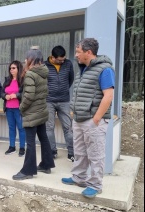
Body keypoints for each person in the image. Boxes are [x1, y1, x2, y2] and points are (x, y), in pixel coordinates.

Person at [62, 38, 115, 198]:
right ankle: (79, 177)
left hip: (93, 119)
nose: (76, 55)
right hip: (79, 118)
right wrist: (73, 112)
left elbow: (108, 95)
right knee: (80, 151)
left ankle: (95, 184)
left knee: (95, 153)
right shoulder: (82, 69)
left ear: (88, 52)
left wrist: (97, 119)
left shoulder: (105, 69)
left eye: (78, 52)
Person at [12, 48, 55, 180]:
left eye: (26, 58)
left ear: (31, 60)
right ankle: (46, 164)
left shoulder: (30, 74)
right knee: (43, 138)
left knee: (30, 143)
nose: (25, 60)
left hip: (32, 113)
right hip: (41, 111)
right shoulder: (43, 73)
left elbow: (29, 96)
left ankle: (28, 171)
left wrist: (21, 108)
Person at [44, 45, 75, 161]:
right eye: (60, 60)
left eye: (63, 59)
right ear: (52, 57)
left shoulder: (68, 64)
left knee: (68, 127)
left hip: (64, 101)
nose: (62, 61)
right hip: (49, 101)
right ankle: (52, 151)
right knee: (49, 127)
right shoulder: (44, 65)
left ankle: (71, 153)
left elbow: (70, 79)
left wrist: (64, 89)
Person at [1, 60, 26, 157]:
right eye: (10, 68)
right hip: (8, 108)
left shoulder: (23, 80)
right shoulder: (7, 80)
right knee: (11, 128)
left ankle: (22, 148)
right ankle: (12, 147)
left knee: (21, 128)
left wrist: (16, 95)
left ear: (19, 69)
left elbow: (25, 93)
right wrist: (5, 96)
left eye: (13, 68)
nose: (11, 70)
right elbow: (2, 92)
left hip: (19, 108)